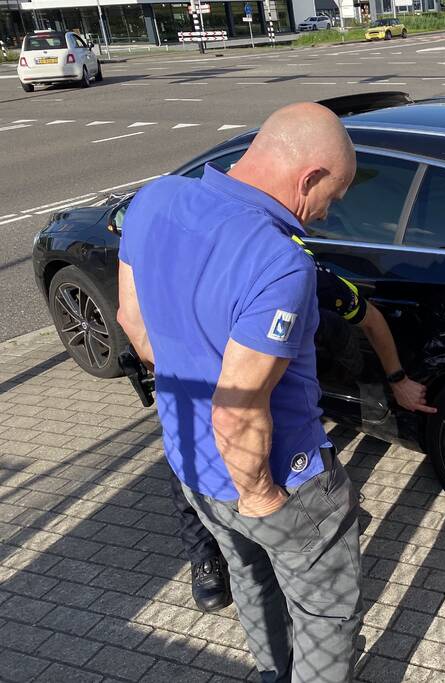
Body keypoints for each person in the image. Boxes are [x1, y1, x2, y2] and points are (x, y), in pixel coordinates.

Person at [117, 102, 378, 681]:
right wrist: (259, 494)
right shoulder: (279, 263)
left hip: (191, 465)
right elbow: (236, 412)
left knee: (250, 576)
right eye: (332, 196)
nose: (327, 213)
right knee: (325, 614)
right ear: (308, 177)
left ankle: (271, 673)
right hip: (277, 475)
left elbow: (132, 323)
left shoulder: (155, 199)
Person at [176, 251, 436, 612]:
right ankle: (204, 554)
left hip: (267, 398)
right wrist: (261, 496)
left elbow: (371, 319)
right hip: (201, 397)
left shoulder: (301, 270)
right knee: (188, 456)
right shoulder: (191, 262)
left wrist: (397, 378)